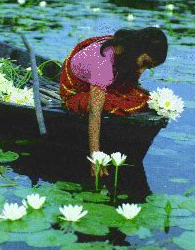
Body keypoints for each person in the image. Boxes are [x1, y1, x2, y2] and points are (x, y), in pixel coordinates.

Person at [59, 27, 168, 177]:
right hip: (76, 90)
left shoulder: (128, 50)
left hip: (100, 82)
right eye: (144, 63)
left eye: (148, 67)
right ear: (139, 48)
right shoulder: (103, 60)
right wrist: (95, 156)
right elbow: (95, 111)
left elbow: (132, 84)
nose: (141, 71)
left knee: (144, 98)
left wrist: (159, 98)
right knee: (107, 104)